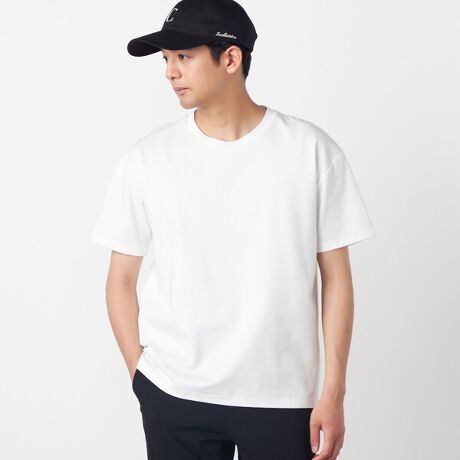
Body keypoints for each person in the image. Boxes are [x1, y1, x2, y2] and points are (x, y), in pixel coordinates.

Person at [90, 0, 376, 459]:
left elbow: (337, 278)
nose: (170, 72)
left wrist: (334, 391)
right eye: (166, 59)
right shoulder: (147, 158)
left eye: (184, 56)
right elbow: (120, 278)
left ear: (230, 58)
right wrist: (139, 375)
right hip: (173, 391)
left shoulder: (310, 151)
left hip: (280, 396)